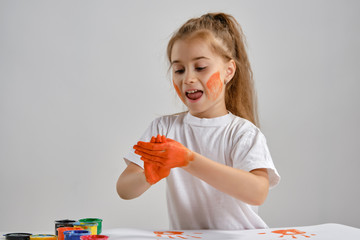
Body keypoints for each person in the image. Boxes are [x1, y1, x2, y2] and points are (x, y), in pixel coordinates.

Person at [116, 12, 280, 230]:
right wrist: (148, 174)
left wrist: (188, 160)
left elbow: (258, 192)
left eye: (200, 67)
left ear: (228, 71)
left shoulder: (242, 133)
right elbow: (124, 189)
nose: (188, 79)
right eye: (179, 70)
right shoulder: (164, 129)